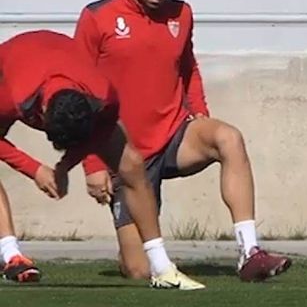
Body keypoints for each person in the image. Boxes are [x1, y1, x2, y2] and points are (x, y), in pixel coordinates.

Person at [73, 0, 291, 282]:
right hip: (125, 155)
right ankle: (130, 248)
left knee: (229, 138)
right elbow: (78, 90)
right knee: (140, 270)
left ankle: (250, 252)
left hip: (175, 135)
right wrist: (93, 163)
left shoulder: (182, 13)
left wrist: (199, 112)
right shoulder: (97, 17)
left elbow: (188, 69)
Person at [0, 30, 204, 290]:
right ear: (40, 114)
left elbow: (101, 132)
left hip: (61, 68)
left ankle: (163, 267)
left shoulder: (104, 94)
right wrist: (35, 168)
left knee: (132, 165)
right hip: (11, 64)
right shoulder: (12, 97)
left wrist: (66, 166)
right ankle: (10, 253)